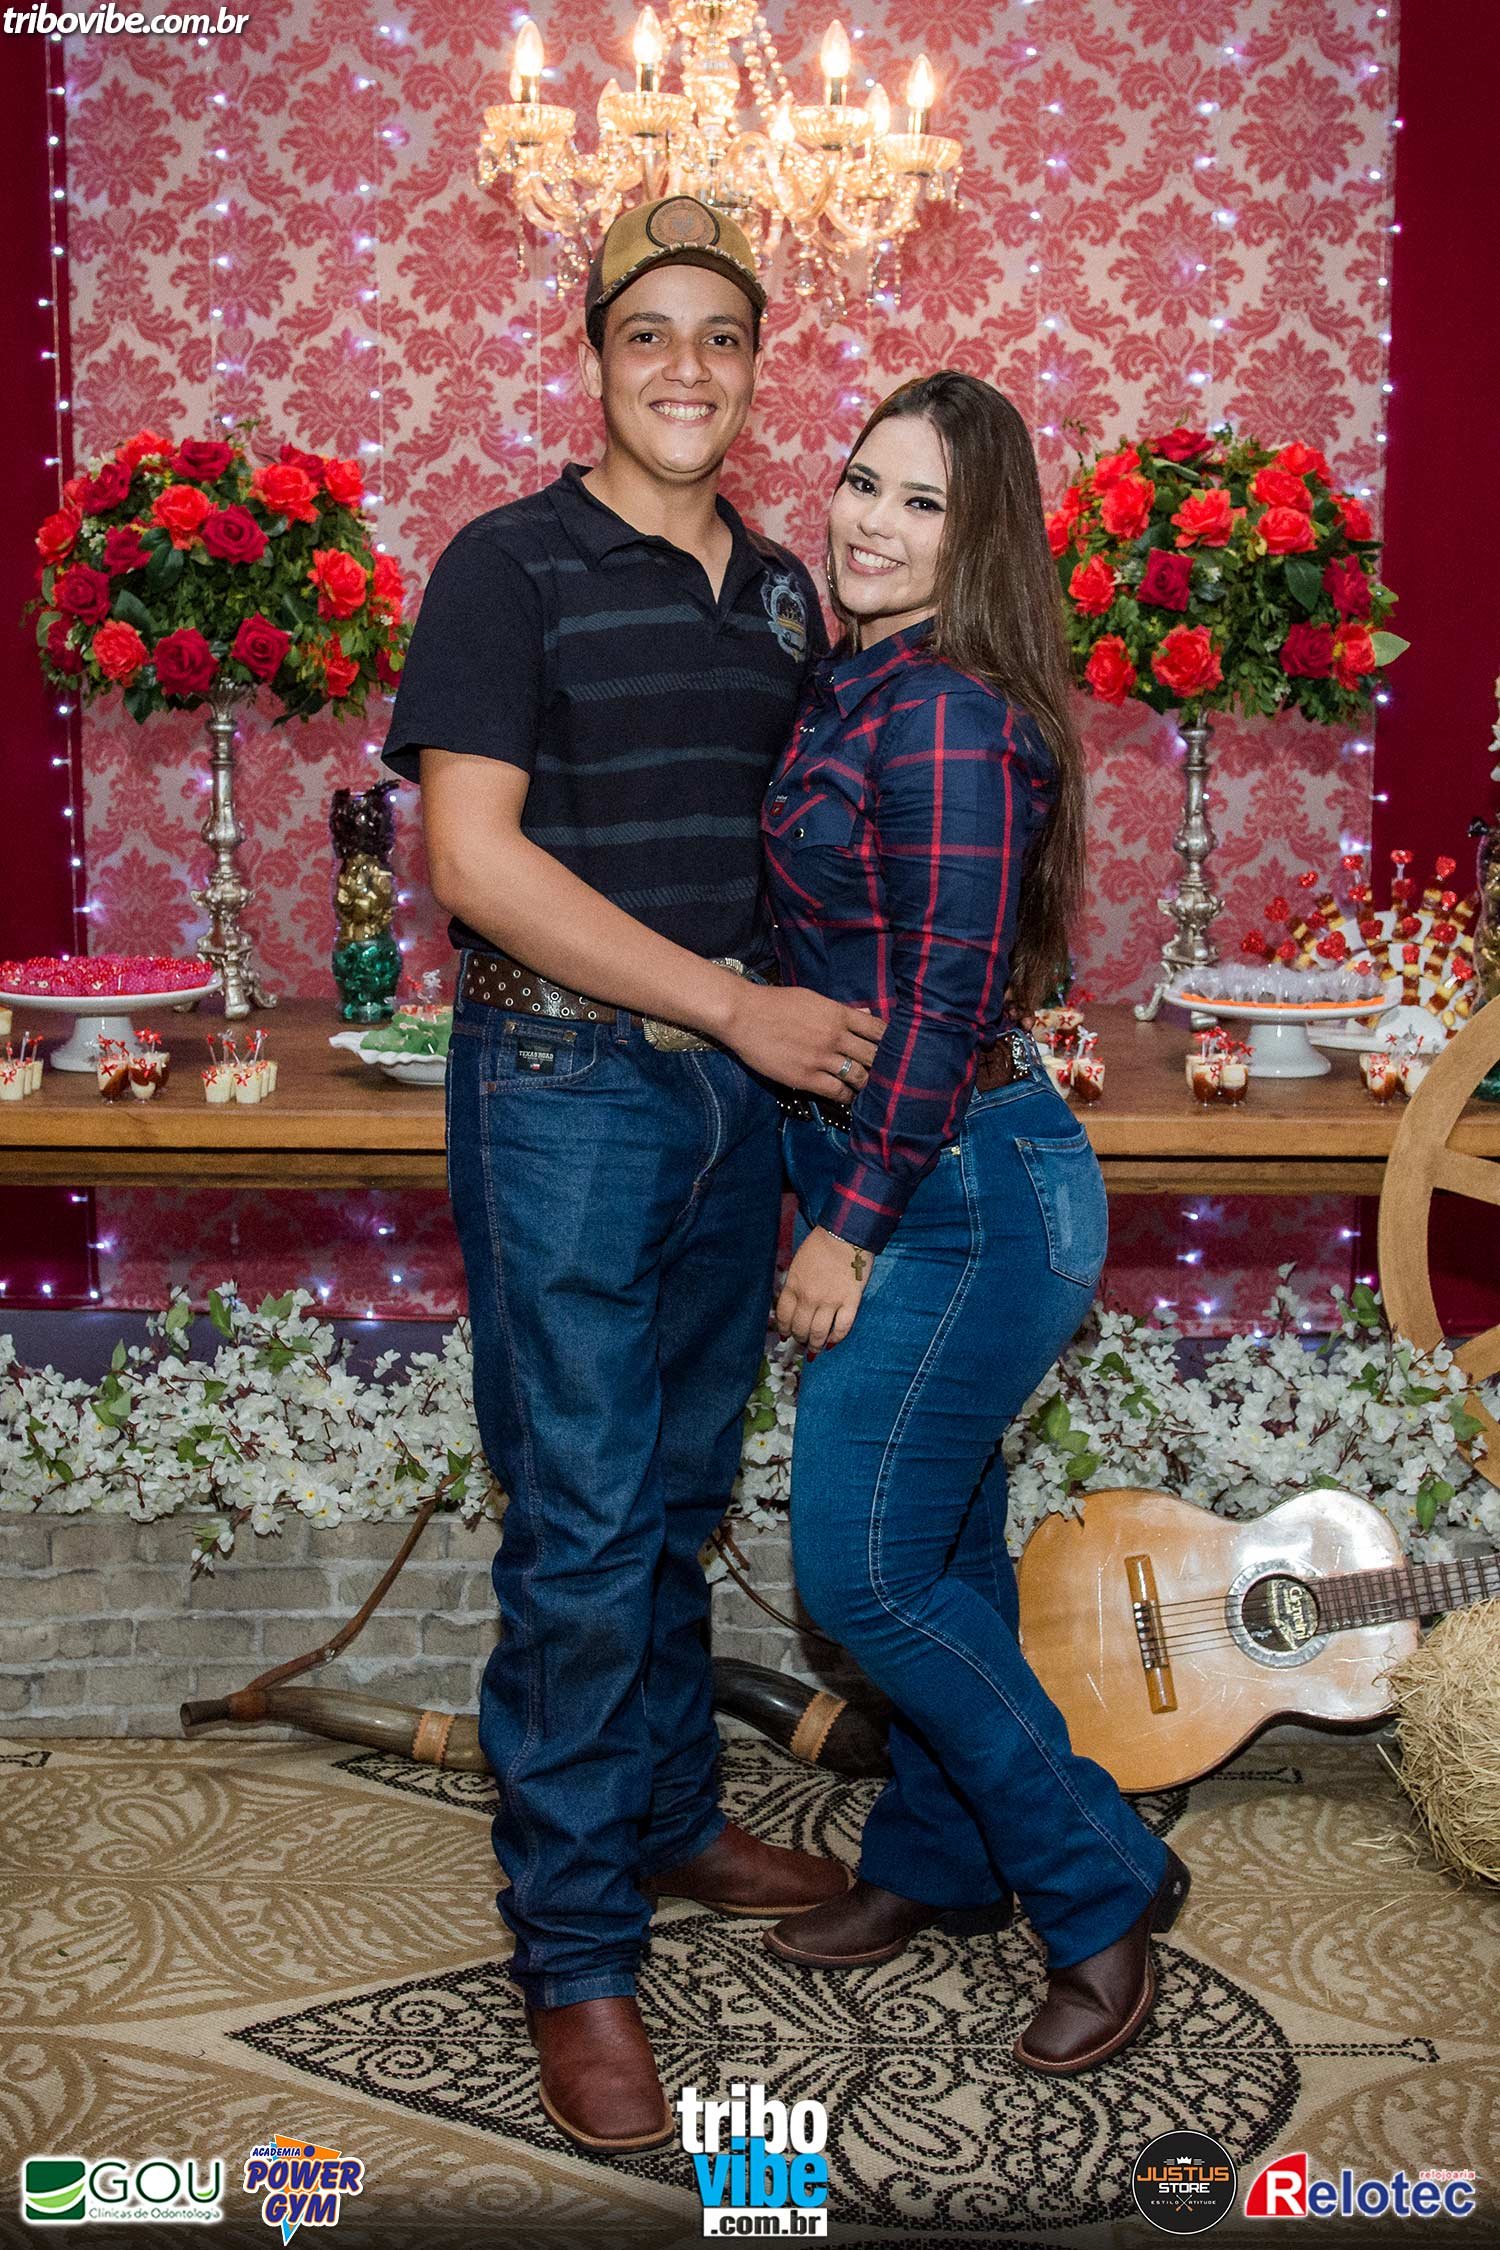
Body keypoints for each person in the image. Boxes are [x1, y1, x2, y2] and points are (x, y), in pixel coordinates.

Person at [381, 197, 887, 2157]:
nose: (688, 368)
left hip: (731, 1117)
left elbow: (800, 848)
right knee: (585, 1533)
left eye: (723, 338)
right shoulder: (504, 566)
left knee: (672, 1503)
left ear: (757, 370)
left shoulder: (783, 592)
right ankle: (577, 1954)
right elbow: (474, 863)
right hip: (566, 1092)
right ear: (594, 358)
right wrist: (735, 1006)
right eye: (649, 333)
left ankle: (671, 1818)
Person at [758, 370, 1191, 2075]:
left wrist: (848, 1224)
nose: (871, 521)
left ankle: (1095, 1880)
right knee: (937, 1558)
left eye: (922, 502)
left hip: (962, 1197)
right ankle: (936, 1859)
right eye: (863, 481)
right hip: (915, 1172)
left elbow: (941, 1005)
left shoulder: (943, 710)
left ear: (980, 537)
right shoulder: (856, 679)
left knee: (859, 1576)